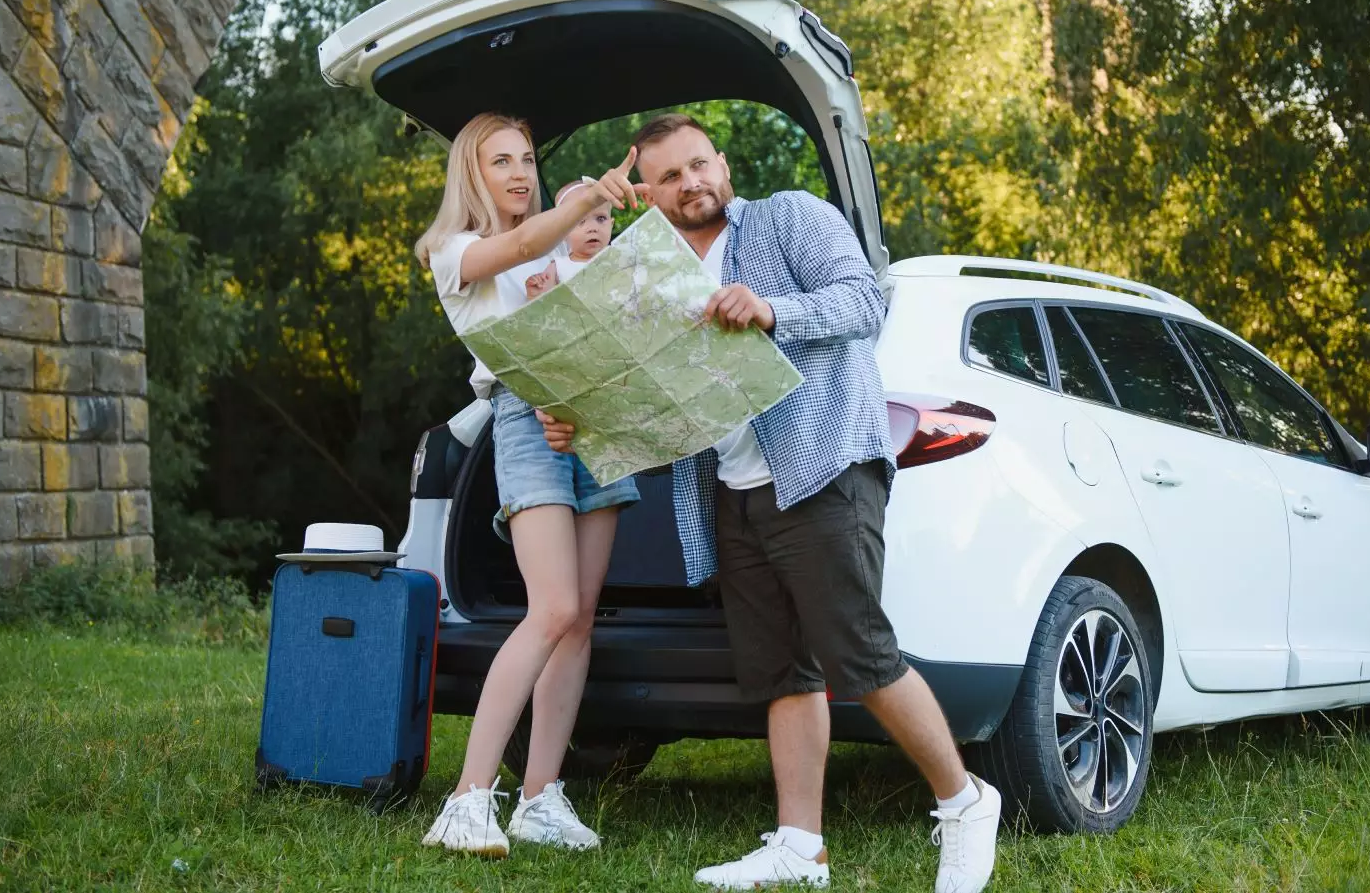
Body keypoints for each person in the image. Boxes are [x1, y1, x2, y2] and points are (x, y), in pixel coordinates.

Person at [538, 113, 1002, 892]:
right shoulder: (647, 278)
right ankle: (799, 846)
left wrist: (773, 310)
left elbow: (863, 302)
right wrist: (578, 423)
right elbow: (645, 398)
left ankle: (963, 801)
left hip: (824, 470)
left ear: (722, 162)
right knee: (782, 673)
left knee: (859, 652)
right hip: (733, 490)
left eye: (700, 165)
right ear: (648, 195)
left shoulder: (790, 216)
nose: (693, 184)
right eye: (672, 177)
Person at [415, 112, 643, 856]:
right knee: (550, 608)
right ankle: (466, 798)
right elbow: (517, 246)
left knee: (580, 617)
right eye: (500, 161)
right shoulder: (455, 250)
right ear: (471, 175)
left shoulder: (563, 248)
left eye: (525, 159)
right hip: (524, 419)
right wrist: (583, 201)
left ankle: (541, 796)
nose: (518, 172)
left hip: (592, 417)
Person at [525, 177, 615, 298]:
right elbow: (544, 302)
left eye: (601, 218)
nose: (592, 228)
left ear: (611, 224)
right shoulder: (558, 267)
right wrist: (536, 291)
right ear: (563, 232)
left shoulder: (618, 255)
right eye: (580, 221)